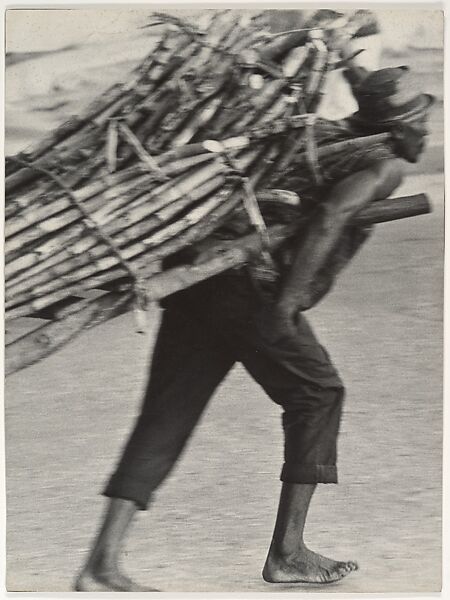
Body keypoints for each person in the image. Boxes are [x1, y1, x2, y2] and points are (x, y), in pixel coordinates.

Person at [75, 67, 433, 591]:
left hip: (200, 276)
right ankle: (288, 552)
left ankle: (99, 563)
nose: (428, 130)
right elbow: (332, 215)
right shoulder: (383, 166)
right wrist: (286, 306)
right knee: (318, 392)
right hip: (251, 290)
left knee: (167, 414)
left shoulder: (321, 133)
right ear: (400, 124)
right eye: (423, 119)